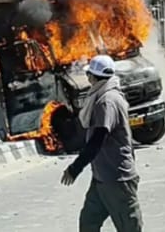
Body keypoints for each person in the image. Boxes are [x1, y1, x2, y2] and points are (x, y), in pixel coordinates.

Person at [61, 54, 142, 232]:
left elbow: (98, 139)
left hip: (116, 178)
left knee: (129, 227)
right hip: (101, 177)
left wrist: (75, 168)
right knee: (88, 223)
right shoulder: (102, 96)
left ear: (94, 76)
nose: (87, 78)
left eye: (88, 74)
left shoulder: (107, 101)